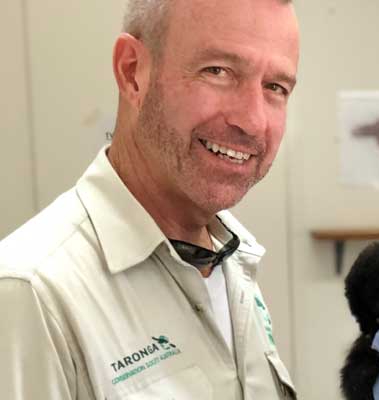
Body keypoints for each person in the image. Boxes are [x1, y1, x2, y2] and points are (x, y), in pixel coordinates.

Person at [0, 0, 299, 399]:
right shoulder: (31, 293)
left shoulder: (234, 259)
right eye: (218, 71)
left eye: (274, 87)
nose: (253, 120)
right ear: (132, 72)